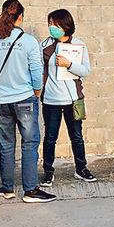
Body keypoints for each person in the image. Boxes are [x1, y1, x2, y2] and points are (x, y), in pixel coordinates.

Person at [0, 0, 55, 203]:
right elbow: (37, 72)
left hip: (0, 102)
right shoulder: (28, 41)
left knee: (6, 145)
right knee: (29, 144)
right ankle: (30, 190)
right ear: (20, 17)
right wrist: (36, 92)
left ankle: (7, 188)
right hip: (24, 99)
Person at [39, 9, 95, 187]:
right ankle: (48, 172)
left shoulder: (79, 45)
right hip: (51, 100)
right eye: (49, 24)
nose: (51, 28)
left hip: (74, 100)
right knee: (50, 138)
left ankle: (81, 168)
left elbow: (86, 71)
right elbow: (39, 71)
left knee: (77, 136)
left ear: (65, 25)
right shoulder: (44, 46)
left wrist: (68, 64)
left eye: (54, 24)